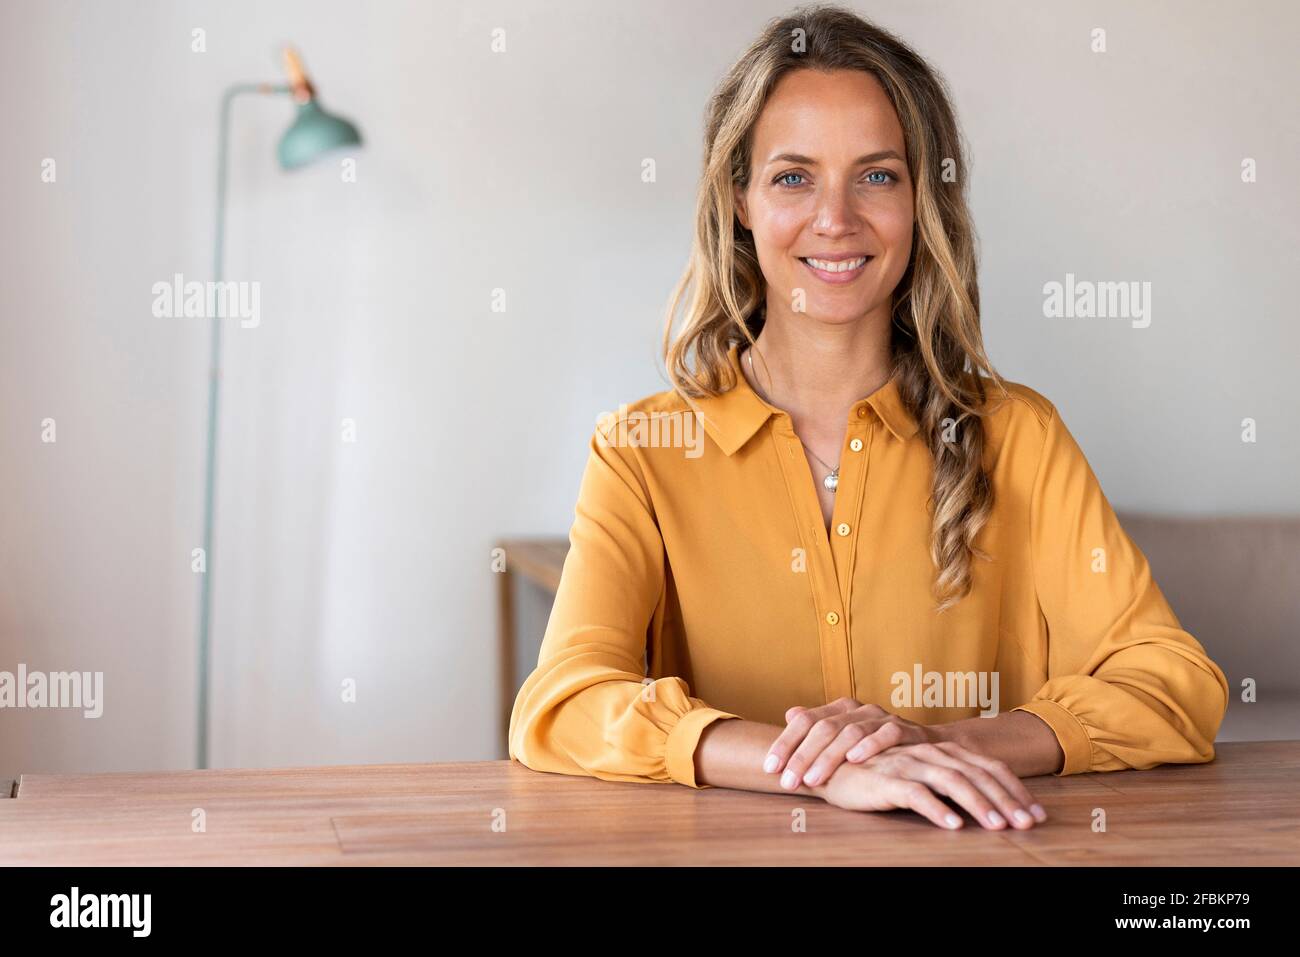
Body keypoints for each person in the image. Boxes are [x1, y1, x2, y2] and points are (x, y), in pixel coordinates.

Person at [508, 4, 1228, 831]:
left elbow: (1173, 683)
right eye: (793, 176)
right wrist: (822, 771)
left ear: (923, 200)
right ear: (738, 198)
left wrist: (935, 744)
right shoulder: (640, 452)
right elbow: (563, 705)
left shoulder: (1020, 436)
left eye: (877, 175)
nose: (836, 218)